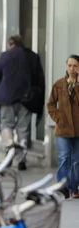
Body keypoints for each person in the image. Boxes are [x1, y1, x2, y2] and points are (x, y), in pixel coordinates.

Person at [0, 35, 44, 170]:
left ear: (11, 44)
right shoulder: (32, 56)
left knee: (7, 126)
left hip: (7, 97)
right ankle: (22, 159)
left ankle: (8, 155)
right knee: (23, 128)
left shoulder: (5, 56)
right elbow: (38, 78)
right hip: (26, 98)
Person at [47, 55, 79, 198]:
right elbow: (51, 104)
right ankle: (62, 187)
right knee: (64, 158)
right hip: (63, 128)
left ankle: (74, 187)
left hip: (78, 129)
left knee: (77, 161)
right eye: (70, 65)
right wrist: (58, 118)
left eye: (75, 66)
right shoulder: (59, 84)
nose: (72, 69)